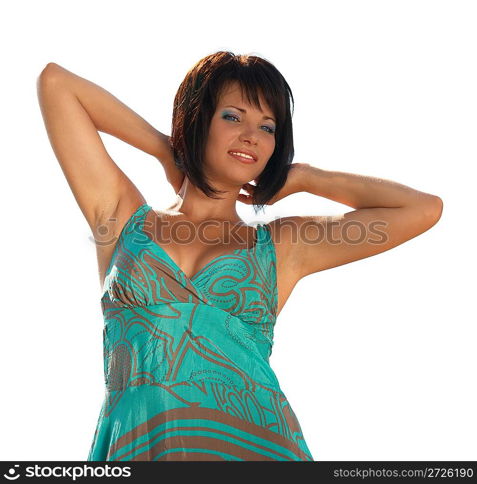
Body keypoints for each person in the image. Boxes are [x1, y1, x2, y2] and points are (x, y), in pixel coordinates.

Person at [37, 51, 443, 461]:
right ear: (197, 121)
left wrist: (306, 177)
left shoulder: (282, 247)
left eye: (268, 127)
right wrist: (168, 149)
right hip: (135, 450)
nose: (252, 135)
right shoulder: (122, 219)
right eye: (233, 117)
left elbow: (423, 209)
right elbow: (57, 85)